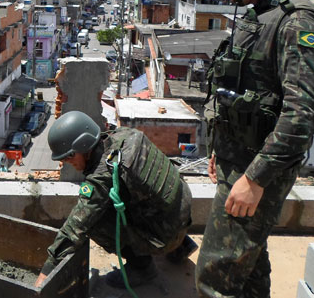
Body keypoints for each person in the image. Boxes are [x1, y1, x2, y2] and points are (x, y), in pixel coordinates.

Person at [195, 0, 314, 297]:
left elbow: (300, 114)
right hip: (239, 161)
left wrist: (254, 179)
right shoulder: (262, 15)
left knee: (215, 277)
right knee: (248, 266)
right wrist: (219, 150)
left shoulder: (298, 23)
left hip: (258, 170)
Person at [35, 111, 197, 289]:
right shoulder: (124, 135)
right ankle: (181, 245)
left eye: (69, 156)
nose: (66, 162)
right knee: (132, 196)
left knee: (95, 222)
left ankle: (142, 268)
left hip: (168, 232)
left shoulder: (104, 174)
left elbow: (76, 226)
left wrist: (46, 272)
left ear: (83, 146)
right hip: (182, 209)